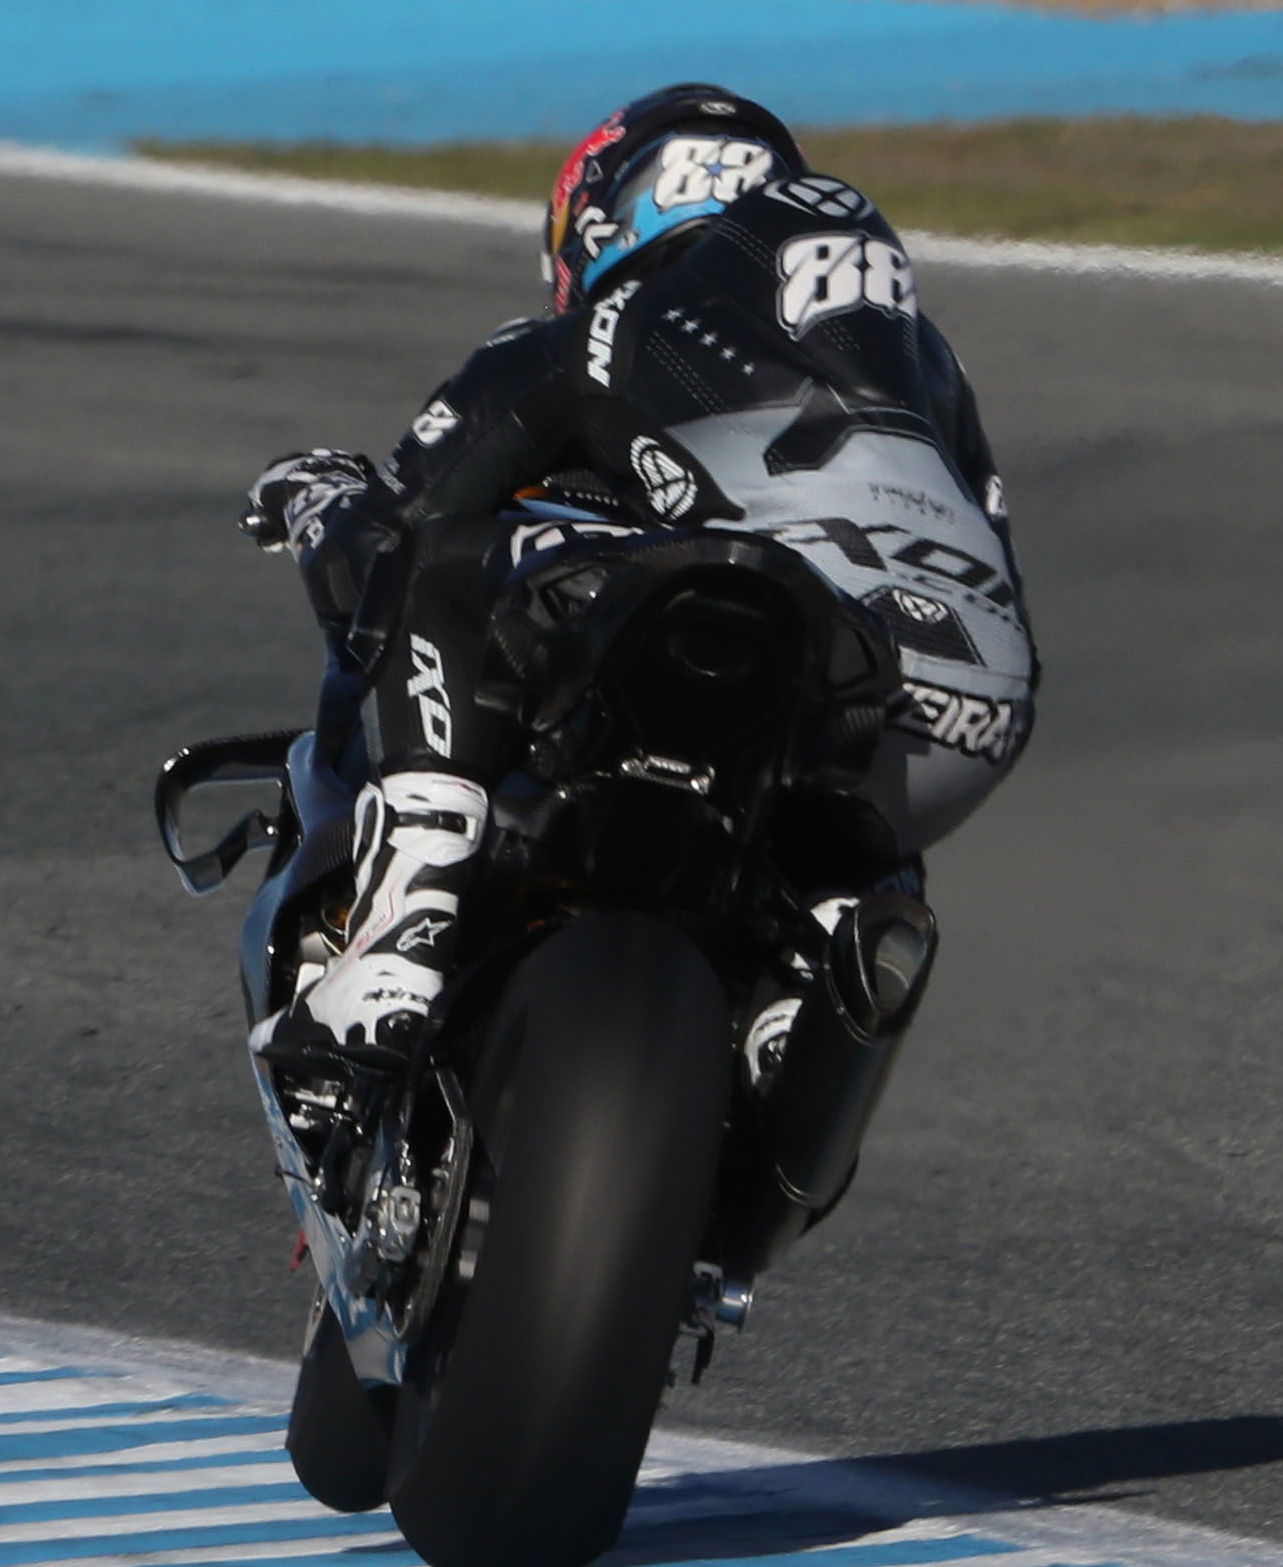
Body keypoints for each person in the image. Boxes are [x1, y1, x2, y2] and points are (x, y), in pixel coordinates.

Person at [242, 83, 1036, 1065]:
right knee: (860, 850)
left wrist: (317, 496)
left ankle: (405, 930)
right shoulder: (931, 371)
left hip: (745, 631)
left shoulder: (606, 330)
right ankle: (814, 983)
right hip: (965, 710)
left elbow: (394, 531)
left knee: (441, 564)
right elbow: (994, 543)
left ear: (603, 219)